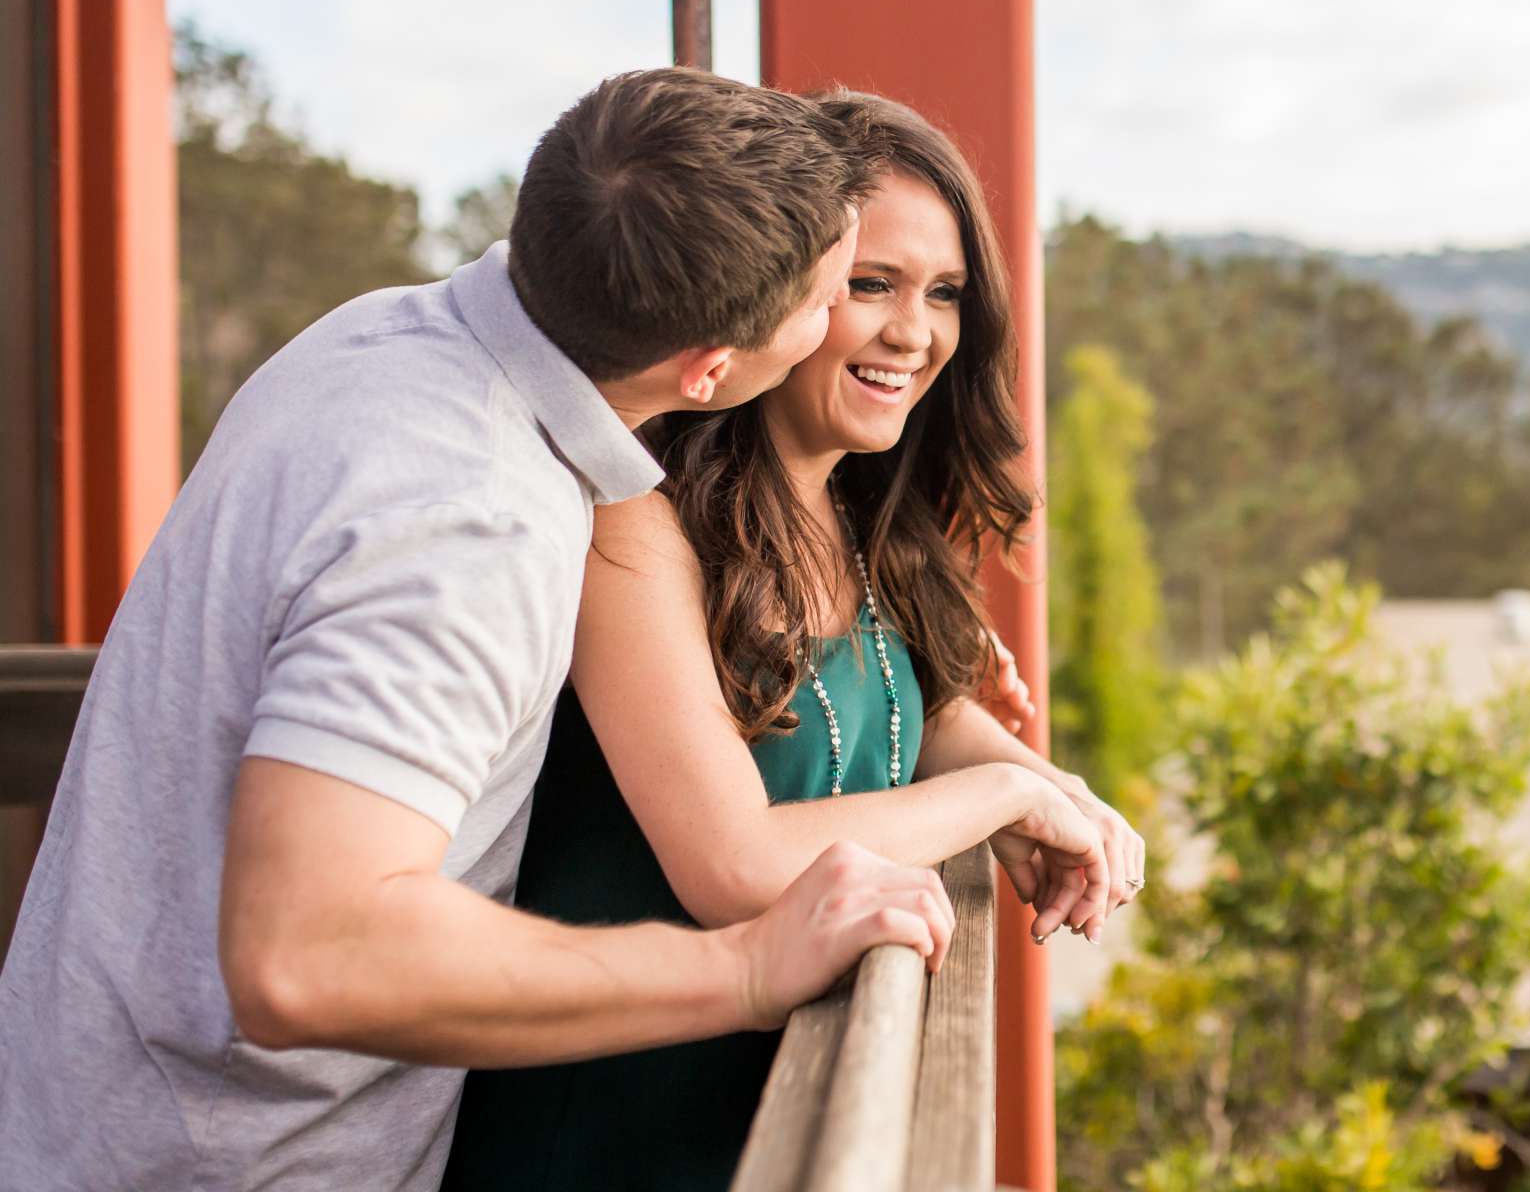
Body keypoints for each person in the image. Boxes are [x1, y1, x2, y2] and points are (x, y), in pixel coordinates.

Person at [0, 70, 964, 1191]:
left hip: (88, 1109)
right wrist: (746, 968)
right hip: (227, 1165)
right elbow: (309, 954)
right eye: (832, 293)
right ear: (711, 371)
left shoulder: (382, 337)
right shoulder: (470, 521)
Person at [442, 93, 1144, 1191]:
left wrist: (1053, 788)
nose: (916, 332)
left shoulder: (865, 507)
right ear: (787, 291)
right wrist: (1007, 803)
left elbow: (913, 708)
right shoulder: (638, 519)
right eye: (872, 285)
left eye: (945, 293)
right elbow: (736, 865)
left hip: (777, 1099)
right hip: (612, 1122)